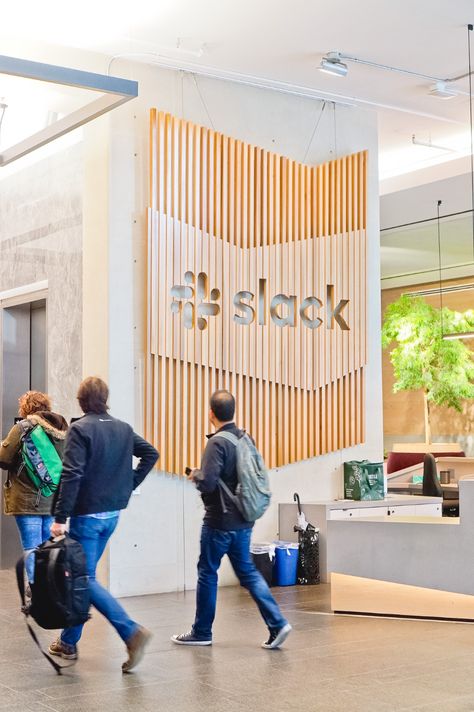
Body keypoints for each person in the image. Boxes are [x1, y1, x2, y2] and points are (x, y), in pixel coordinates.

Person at [48, 376, 159, 672]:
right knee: (85, 576)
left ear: (81, 401)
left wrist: (60, 519)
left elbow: (71, 475)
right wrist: (128, 485)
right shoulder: (122, 428)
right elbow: (151, 453)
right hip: (111, 515)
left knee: (83, 579)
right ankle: (68, 642)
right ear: (105, 399)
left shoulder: (80, 429)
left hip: (87, 517)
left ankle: (130, 631)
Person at [172, 390, 291, 650]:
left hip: (219, 522)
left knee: (207, 572)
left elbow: (209, 483)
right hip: (244, 519)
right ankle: (278, 623)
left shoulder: (217, 443)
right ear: (232, 411)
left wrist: (196, 475)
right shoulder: (245, 438)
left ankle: (202, 631)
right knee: (248, 572)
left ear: (211, 413)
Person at [0, 391, 68, 584]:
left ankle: (37, 595)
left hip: (27, 500)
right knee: (47, 549)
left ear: (25, 408)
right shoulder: (62, 429)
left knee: (31, 548)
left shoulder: (23, 427)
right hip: (52, 498)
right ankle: (50, 593)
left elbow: (3, 459)